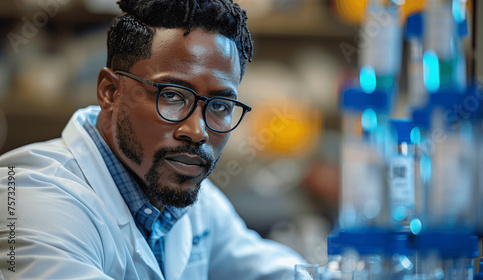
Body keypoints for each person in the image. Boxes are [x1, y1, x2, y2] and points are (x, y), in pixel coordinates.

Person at [0, 0, 306, 279]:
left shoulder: (191, 199)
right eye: (171, 95)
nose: (197, 131)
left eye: (220, 106)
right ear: (109, 91)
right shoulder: (32, 200)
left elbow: (273, 270)